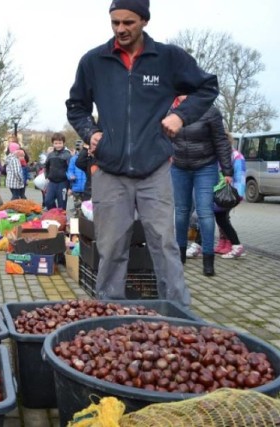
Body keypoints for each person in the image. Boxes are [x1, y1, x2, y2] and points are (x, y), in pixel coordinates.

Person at [66, 0, 219, 306]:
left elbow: (207, 86)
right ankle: (109, 313)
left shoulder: (168, 58)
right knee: (111, 248)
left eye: (128, 23)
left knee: (164, 244)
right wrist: (90, 131)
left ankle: (177, 314)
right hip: (110, 170)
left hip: (155, 170)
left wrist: (181, 115)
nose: (120, 29)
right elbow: (76, 106)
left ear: (144, 21)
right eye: (115, 23)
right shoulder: (94, 61)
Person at [170, 95, 233, 276]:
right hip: (179, 167)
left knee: (205, 212)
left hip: (205, 167)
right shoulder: (169, 110)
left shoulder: (210, 111)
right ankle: (179, 255)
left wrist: (227, 171)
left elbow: (221, 141)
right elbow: (162, 136)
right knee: (181, 211)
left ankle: (208, 259)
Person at [218, 142, 247, 259]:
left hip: (229, 195)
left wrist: (237, 196)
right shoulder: (221, 155)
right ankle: (233, 245)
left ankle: (236, 245)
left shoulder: (236, 156)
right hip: (221, 193)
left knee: (219, 218)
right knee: (220, 218)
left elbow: (240, 176)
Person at [43, 132, 71, 210]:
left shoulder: (67, 155)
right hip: (52, 182)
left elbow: (71, 170)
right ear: (53, 144)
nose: (58, 145)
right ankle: (54, 214)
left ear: (63, 143)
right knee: (48, 201)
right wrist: (47, 176)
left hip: (63, 183)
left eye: (60, 143)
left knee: (62, 204)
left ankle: (61, 219)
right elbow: (46, 166)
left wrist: (70, 187)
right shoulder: (50, 155)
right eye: (56, 143)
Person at [67, 141, 87, 215]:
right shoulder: (73, 159)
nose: (80, 150)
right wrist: (70, 176)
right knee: (77, 208)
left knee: (87, 209)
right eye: (79, 148)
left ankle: (86, 225)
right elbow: (69, 171)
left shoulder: (89, 158)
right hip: (76, 188)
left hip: (87, 188)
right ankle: (77, 225)